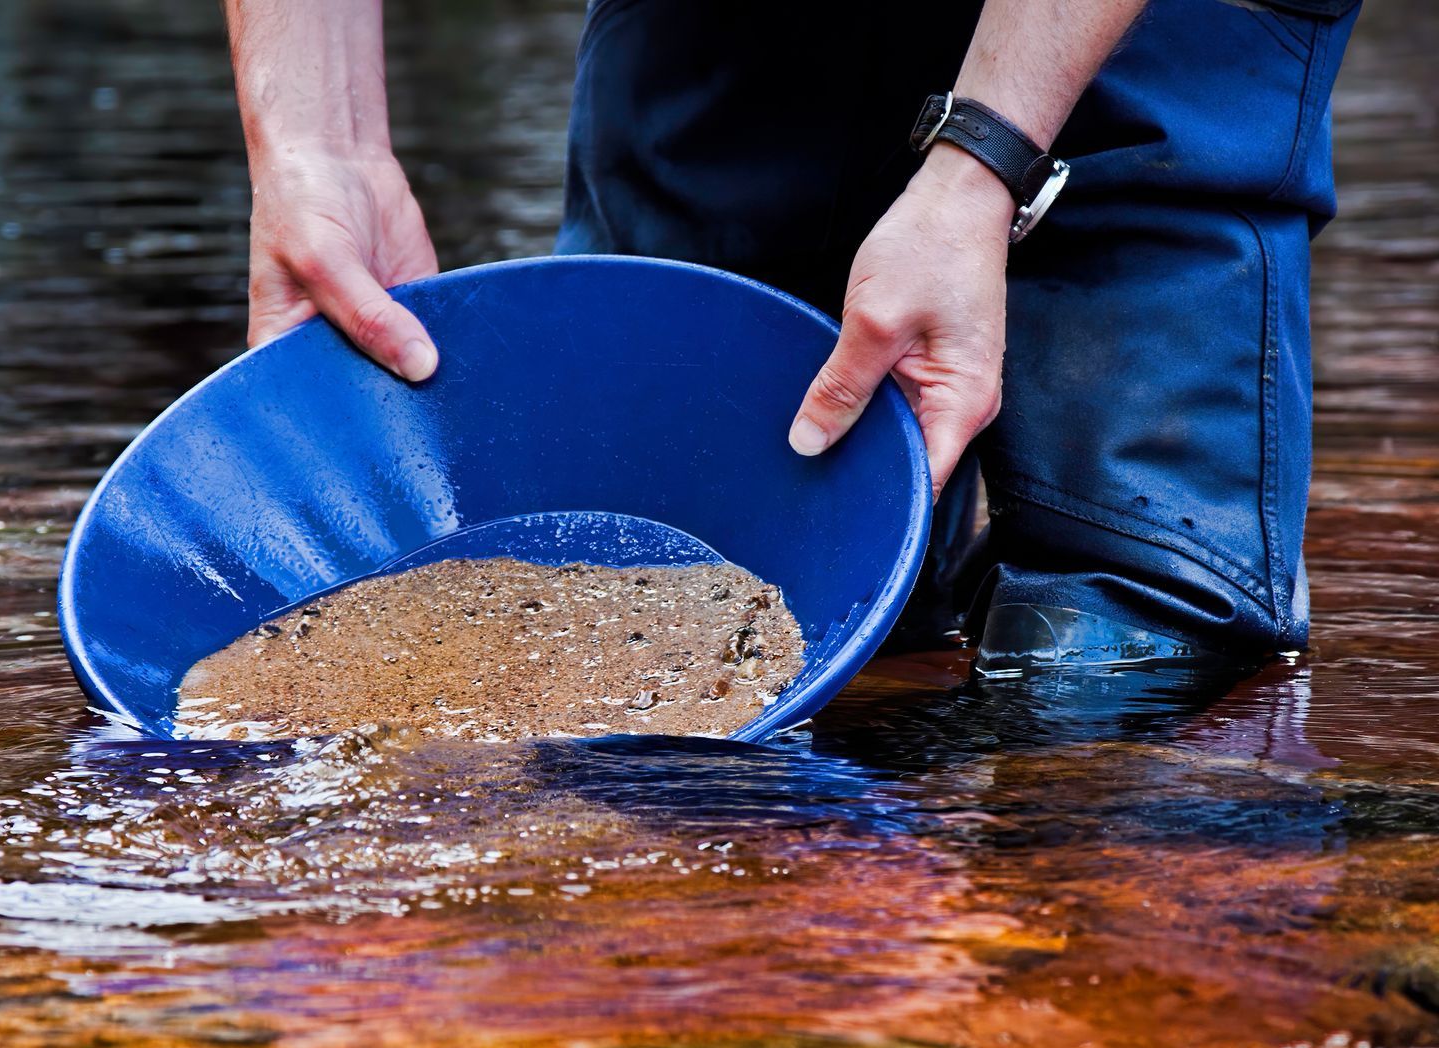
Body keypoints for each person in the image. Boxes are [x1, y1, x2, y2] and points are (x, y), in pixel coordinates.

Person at [218, 0, 1360, 678]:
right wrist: (321, 146)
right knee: (661, 588)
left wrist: (983, 169)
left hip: (1153, 41)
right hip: (720, 30)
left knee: (1107, 656)